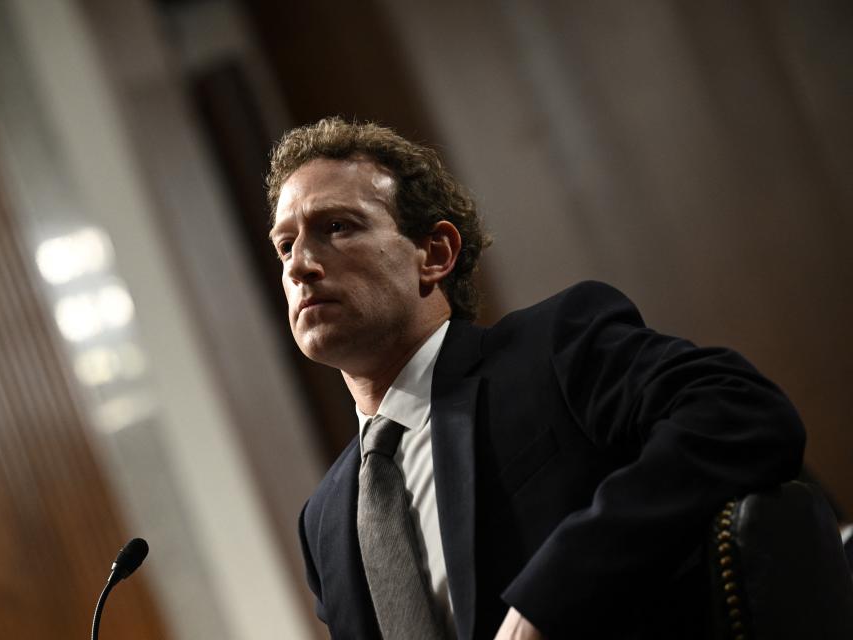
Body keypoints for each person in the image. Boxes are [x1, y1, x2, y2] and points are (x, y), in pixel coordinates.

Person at [266, 117, 805, 640]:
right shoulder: (324, 521)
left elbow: (742, 410)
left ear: (434, 253)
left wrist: (551, 598)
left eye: (337, 227)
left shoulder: (552, 350)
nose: (299, 266)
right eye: (286, 245)